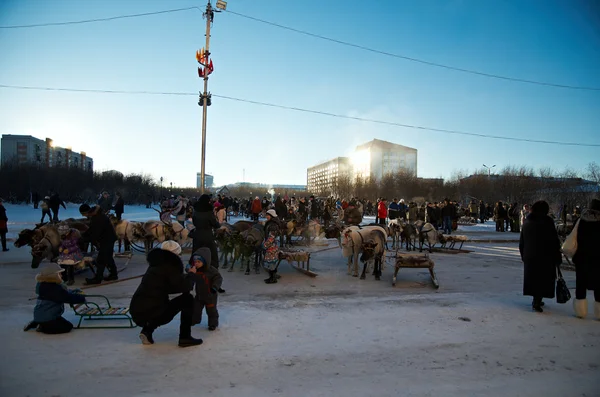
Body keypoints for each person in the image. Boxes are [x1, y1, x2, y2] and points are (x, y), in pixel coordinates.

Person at [129, 241, 203, 347]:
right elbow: (184, 287)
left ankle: (147, 331)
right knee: (188, 299)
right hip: (153, 312)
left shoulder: (156, 265)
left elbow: (168, 285)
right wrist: (191, 275)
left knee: (156, 306)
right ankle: (185, 337)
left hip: (137, 312)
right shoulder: (170, 267)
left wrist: (185, 277)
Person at [519, 200, 562, 312]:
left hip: (530, 255)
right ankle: (537, 300)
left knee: (534, 279)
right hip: (545, 255)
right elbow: (554, 240)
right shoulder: (548, 221)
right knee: (543, 279)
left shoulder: (528, 220)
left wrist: (523, 254)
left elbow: (522, 240)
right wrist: (557, 255)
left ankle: (536, 298)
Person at [23, 263, 86, 334]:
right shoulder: (53, 288)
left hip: (44, 314)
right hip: (47, 317)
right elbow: (67, 297)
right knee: (67, 327)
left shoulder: (45, 285)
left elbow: (63, 293)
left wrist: (74, 292)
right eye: (59, 274)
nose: (61, 276)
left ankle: (39, 322)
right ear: (53, 276)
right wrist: (81, 298)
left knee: (63, 323)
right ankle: (43, 327)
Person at [571, 198, 600, 320]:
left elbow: (573, 236)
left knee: (581, 283)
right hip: (598, 258)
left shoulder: (580, 221)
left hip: (582, 256)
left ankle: (580, 311)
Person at [79, 204, 118, 285]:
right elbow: (91, 229)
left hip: (107, 239)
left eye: (83, 214)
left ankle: (98, 278)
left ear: (86, 212)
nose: (84, 216)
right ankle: (114, 275)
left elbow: (95, 233)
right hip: (108, 238)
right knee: (108, 257)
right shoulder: (96, 215)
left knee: (101, 259)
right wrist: (82, 236)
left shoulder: (98, 218)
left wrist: (84, 239)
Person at [186, 247, 223, 330]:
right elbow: (190, 273)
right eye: (195, 262)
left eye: (199, 262)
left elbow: (218, 278)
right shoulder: (196, 269)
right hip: (199, 295)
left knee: (211, 311)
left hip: (210, 296)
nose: (196, 264)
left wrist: (215, 287)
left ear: (205, 261)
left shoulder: (211, 271)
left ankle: (213, 324)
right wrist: (189, 270)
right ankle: (195, 320)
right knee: (196, 309)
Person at [191, 194, 220, 269]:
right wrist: (218, 225)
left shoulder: (195, 210)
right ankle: (213, 266)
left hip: (197, 234)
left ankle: (194, 265)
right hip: (207, 235)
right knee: (212, 251)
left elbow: (194, 222)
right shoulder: (209, 211)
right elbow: (214, 223)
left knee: (195, 250)